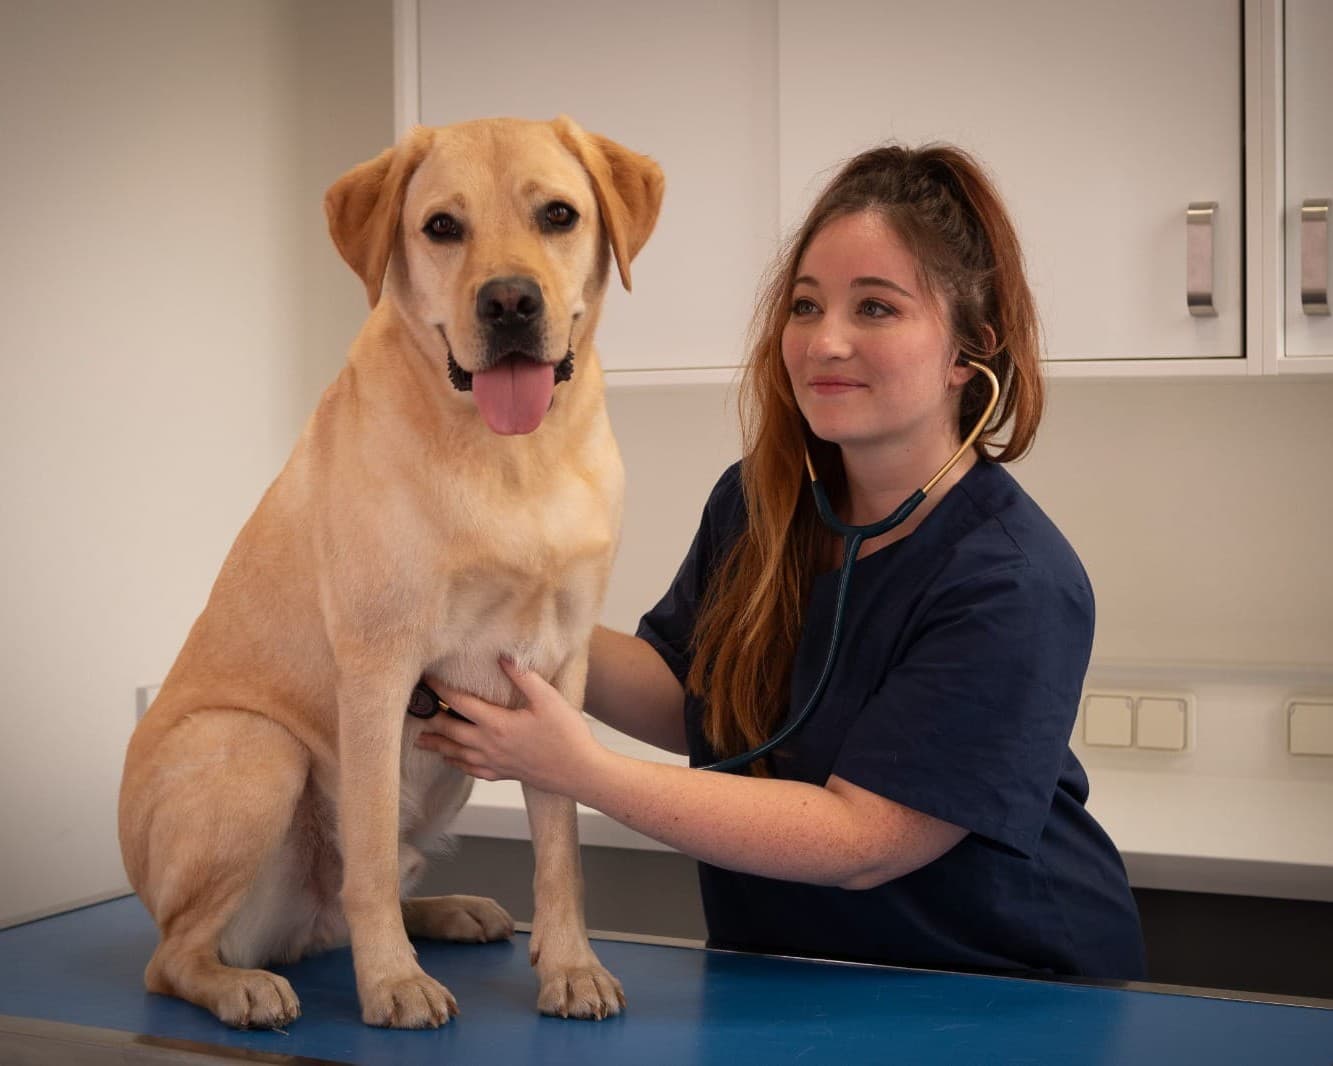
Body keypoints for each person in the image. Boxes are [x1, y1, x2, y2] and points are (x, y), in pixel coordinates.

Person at [417, 142, 1148, 981]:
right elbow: (688, 695)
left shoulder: (1012, 582)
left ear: (966, 351)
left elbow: (863, 841)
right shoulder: (758, 503)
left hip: (996, 986)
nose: (824, 341)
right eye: (805, 306)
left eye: (875, 308)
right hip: (787, 973)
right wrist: (501, 613)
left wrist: (580, 770)